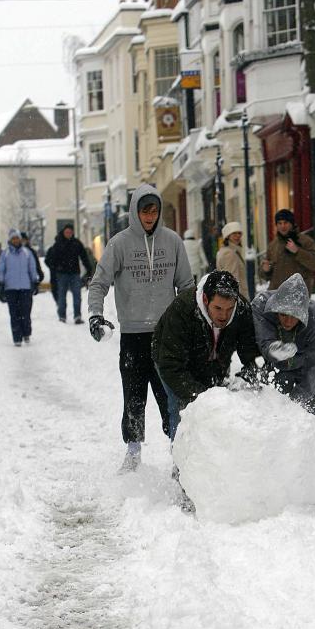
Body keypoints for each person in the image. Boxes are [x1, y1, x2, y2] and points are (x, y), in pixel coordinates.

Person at [88, 184, 194, 472]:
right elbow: (99, 284)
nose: (150, 216)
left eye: (154, 210)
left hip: (166, 337)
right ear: (135, 212)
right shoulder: (119, 244)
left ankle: (179, 454)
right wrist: (95, 315)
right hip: (133, 336)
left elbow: (186, 286)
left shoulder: (172, 242)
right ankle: (133, 453)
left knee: (170, 398)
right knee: (133, 396)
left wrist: (190, 322)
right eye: (145, 211)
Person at [152, 270, 259, 439]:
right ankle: (181, 461)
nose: (224, 315)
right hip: (173, 361)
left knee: (217, 407)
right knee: (182, 409)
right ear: (205, 299)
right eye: (218, 308)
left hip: (214, 362)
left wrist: (249, 377)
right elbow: (171, 365)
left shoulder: (241, 310)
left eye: (229, 308)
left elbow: (250, 352)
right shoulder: (183, 310)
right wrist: (200, 395)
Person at [252, 273, 315, 422]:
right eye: (283, 314)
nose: (288, 321)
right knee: (278, 394)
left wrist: (298, 403)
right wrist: (272, 349)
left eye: (294, 315)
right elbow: (264, 339)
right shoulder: (261, 305)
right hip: (278, 363)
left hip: (309, 359)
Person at [260, 209, 315, 295]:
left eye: (285, 222)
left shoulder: (305, 241)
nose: (282, 226)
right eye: (279, 223)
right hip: (277, 295)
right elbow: (266, 275)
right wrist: (266, 270)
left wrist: (297, 251)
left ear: (292, 224)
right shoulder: (273, 245)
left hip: (298, 295)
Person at [0, 228, 39, 346]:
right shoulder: (5, 254)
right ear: (10, 240)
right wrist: (1, 283)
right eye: (13, 238)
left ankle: (26, 333)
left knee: (25, 312)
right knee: (14, 313)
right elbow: (0, 270)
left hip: (25, 287)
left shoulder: (26, 253)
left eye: (17, 238)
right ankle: (17, 337)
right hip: (10, 288)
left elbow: (32, 268)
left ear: (20, 239)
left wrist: (34, 281)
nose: (15, 240)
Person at [50, 223, 92, 323]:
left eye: (70, 232)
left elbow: (84, 257)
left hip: (74, 274)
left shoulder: (76, 243)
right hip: (62, 274)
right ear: (63, 232)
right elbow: (52, 259)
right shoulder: (58, 244)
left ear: (72, 233)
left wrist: (88, 268)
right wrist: (56, 268)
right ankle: (62, 316)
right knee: (62, 296)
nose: (68, 234)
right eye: (66, 232)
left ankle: (77, 316)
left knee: (77, 296)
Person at [216, 221, 249, 298]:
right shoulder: (229, 254)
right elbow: (232, 279)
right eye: (234, 234)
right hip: (237, 297)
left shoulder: (229, 251)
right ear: (227, 236)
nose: (237, 236)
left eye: (239, 233)